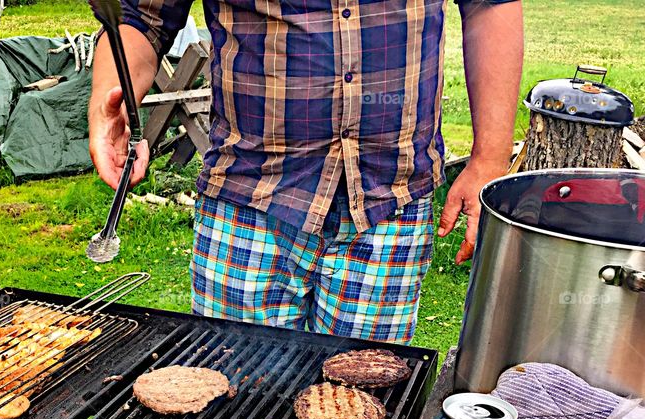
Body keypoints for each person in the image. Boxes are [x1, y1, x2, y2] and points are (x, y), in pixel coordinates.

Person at [88, 0, 523, 343]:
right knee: (237, 410)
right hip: (248, 198)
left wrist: (490, 158)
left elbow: (490, 5)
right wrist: (109, 101)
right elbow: (140, 16)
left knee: (364, 410)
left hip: (390, 200)